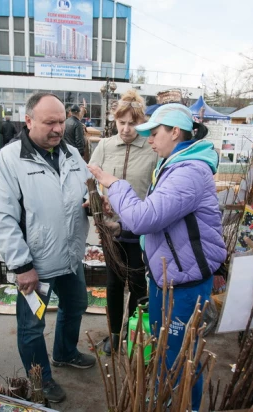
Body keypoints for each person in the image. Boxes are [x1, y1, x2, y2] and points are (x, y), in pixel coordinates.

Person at [88, 103, 227, 410]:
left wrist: (114, 184)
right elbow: (166, 221)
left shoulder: (189, 171)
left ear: (175, 131)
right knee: (167, 350)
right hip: (170, 275)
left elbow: (146, 219)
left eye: (154, 132)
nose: (149, 139)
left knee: (180, 355)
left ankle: (183, 406)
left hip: (185, 282)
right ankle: (167, 398)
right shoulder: (174, 164)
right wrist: (122, 223)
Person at [0, 92, 95, 404]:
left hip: (71, 257)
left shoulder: (71, 154)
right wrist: (21, 266)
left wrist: (92, 202)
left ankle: (64, 352)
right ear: (29, 121)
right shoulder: (7, 161)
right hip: (37, 267)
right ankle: (41, 378)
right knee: (33, 327)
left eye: (61, 121)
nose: (58, 128)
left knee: (76, 305)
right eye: (50, 122)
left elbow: (87, 188)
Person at [88, 89, 158, 356]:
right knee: (115, 283)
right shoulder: (105, 146)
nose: (127, 129)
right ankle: (115, 333)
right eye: (122, 123)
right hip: (111, 230)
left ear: (142, 123)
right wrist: (93, 202)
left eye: (133, 123)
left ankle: (133, 333)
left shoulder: (151, 149)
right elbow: (91, 179)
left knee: (139, 283)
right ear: (114, 122)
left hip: (140, 230)